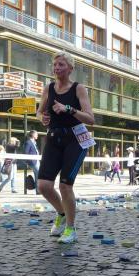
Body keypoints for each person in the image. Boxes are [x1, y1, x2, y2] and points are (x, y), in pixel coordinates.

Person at [37, 51, 95, 244]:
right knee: (43, 186)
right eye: (55, 65)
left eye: (61, 64)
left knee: (64, 185)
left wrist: (69, 109)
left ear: (70, 68)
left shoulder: (79, 89)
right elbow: (39, 112)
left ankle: (70, 229)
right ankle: (62, 213)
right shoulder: (48, 88)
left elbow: (90, 119)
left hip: (75, 140)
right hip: (54, 138)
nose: (57, 68)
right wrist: (42, 118)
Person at [25, 130, 40, 194]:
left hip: (36, 161)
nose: (37, 136)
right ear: (33, 135)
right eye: (36, 134)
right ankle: (38, 191)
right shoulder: (28, 142)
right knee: (38, 175)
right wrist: (27, 162)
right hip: (33, 161)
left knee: (37, 175)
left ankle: (38, 190)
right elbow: (26, 152)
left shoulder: (34, 142)